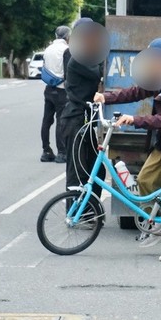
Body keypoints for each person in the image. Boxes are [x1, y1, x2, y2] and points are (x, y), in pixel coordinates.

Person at [95, 38, 161, 263]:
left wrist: (134, 119)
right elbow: (134, 92)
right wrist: (105, 97)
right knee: (145, 179)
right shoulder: (160, 79)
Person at [60, 19, 106, 200]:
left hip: (87, 119)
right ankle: (74, 211)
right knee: (77, 170)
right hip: (75, 119)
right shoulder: (78, 58)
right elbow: (99, 72)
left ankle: (90, 209)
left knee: (97, 168)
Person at [39, 26, 71, 163]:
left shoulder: (48, 49)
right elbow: (68, 71)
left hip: (49, 89)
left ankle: (46, 150)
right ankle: (62, 152)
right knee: (60, 121)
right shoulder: (66, 50)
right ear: (67, 37)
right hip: (61, 90)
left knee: (47, 120)